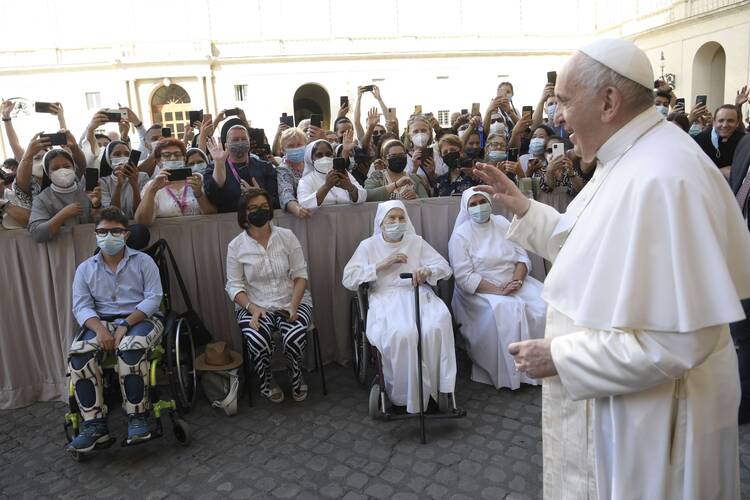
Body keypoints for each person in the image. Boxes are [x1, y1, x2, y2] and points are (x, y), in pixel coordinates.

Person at [474, 38, 750, 499]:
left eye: (563, 101)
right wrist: (526, 209)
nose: (555, 117)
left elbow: (682, 340)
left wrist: (559, 356)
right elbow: (593, 251)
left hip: (650, 426)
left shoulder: (663, 175)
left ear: (607, 102)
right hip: (625, 410)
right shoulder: (628, 158)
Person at [342, 200, 457, 414]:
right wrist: (381, 264)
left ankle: (434, 388)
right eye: (391, 218)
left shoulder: (417, 242)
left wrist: (427, 271)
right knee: (403, 333)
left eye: (401, 218)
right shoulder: (368, 246)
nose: (397, 222)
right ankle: (403, 395)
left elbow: (444, 267)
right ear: (381, 222)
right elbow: (349, 278)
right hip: (386, 298)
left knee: (434, 327)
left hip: (417, 294)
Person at [67, 207, 164, 451]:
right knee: (79, 354)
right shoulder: (85, 269)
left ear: (126, 234)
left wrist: (125, 324)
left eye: (115, 231)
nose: (108, 236)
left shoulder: (144, 262)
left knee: (131, 349)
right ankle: (94, 425)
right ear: (95, 233)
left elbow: (154, 298)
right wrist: (100, 330)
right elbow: (81, 307)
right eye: (102, 231)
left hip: (140, 318)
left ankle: (137, 416)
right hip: (101, 321)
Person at [448, 187, 546, 389]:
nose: (479, 207)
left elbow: (521, 256)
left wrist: (517, 281)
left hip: (515, 280)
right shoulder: (461, 235)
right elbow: (464, 277)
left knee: (544, 304)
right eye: (473, 205)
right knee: (506, 310)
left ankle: (544, 366)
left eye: (482, 202)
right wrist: (498, 290)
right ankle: (513, 374)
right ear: (466, 208)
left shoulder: (502, 223)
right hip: (481, 289)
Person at [225, 189, 314, 403]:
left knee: (294, 337)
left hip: (291, 301)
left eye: (264, 207)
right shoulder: (236, 246)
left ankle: (296, 374)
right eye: (253, 208)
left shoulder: (287, 237)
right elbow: (234, 286)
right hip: (254, 306)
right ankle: (267, 379)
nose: (260, 212)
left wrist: (293, 306)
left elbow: (301, 276)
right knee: (258, 340)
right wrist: (252, 309)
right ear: (243, 214)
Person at [134, 139, 216, 225]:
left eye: (178, 154)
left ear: (184, 159)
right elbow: (142, 221)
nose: (173, 158)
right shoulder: (151, 185)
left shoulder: (197, 180)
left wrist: (199, 193)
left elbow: (212, 214)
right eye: (166, 155)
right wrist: (152, 190)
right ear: (158, 161)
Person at [29, 149, 101, 242]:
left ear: (74, 168)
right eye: (55, 168)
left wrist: (96, 206)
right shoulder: (42, 199)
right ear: (48, 173)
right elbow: (37, 234)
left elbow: (102, 226)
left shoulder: (88, 192)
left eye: (67, 167)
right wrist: (63, 215)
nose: (62, 171)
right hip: (60, 251)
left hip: (88, 247)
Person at [203, 124, 279, 212]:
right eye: (235, 140)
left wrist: (260, 195)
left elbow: (277, 202)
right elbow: (212, 198)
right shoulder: (213, 167)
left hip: (259, 219)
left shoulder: (266, 167)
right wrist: (219, 164)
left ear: (249, 142)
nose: (240, 142)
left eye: (243, 139)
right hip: (228, 221)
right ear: (226, 145)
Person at [296, 139, 366, 209]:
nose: (325, 158)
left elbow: (363, 196)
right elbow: (304, 204)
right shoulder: (305, 181)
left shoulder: (343, 173)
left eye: (328, 154)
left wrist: (350, 187)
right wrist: (327, 186)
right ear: (311, 159)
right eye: (319, 155)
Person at [98, 141, 149, 219]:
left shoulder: (143, 177)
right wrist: (119, 185)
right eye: (117, 154)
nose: (123, 157)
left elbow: (141, 213)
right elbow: (113, 215)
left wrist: (134, 185)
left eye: (127, 154)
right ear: (109, 158)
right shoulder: (103, 182)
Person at [693, 104, 744, 176]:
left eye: (730, 121)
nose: (725, 125)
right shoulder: (700, 140)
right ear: (714, 122)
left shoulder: (745, 142)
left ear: (737, 123)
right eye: (721, 120)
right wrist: (720, 172)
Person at [537, 136, 585, 212]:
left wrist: (571, 172)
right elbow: (549, 187)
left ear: (564, 152)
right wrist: (550, 171)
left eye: (557, 149)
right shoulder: (539, 171)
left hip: (568, 212)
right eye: (549, 150)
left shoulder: (570, 169)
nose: (553, 153)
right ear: (544, 154)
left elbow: (581, 190)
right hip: (548, 213)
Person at [275, 127, 313, 219]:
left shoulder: (311, 163)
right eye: (291, 146)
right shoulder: (283, 169)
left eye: (299, 145)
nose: (296, 148)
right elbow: (285, 193)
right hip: (298, 217)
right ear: (282, 149)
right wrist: (297, 209)